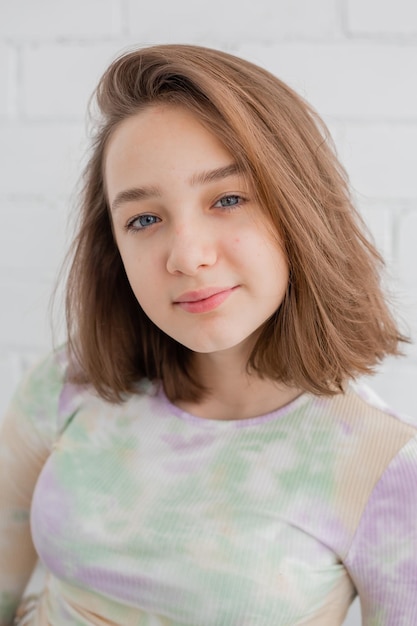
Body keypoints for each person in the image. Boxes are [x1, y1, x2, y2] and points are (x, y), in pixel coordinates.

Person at [0, 43, 416, 626]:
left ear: (300, 211)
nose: (188, 257)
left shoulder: (385, 469)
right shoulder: (73, 383)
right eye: (144, 219)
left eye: (227, 199)